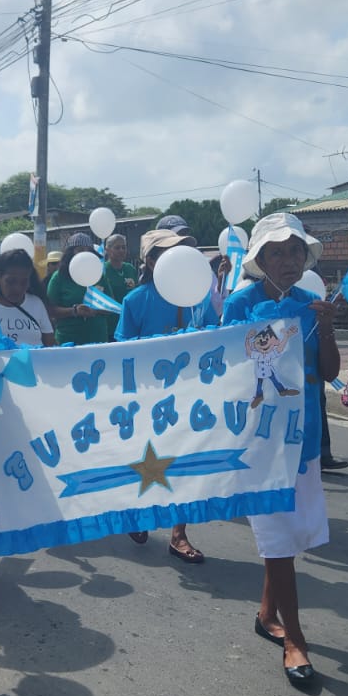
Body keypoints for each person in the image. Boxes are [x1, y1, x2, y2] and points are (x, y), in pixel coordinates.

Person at [223, 213, 339, 687]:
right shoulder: (240, 304)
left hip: (303, 436)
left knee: (290, 537)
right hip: (261, 440)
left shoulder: (311, 304)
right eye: (277, 252)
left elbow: (329, 372)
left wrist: (326, 328)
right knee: (278, 539)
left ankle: (266, 614)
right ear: (260, 258)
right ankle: (295, 638)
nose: (289, 260)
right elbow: (232, 369)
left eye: (296, 251)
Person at [115, 226, 218, 563]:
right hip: (148, 400)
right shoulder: (136, 300)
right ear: (151, 261)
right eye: (167, 251)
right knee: (146, 459)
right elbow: (123, 351)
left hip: (190, 396)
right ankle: (139, 514)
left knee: (184, 462)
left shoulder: (200, 298)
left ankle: (179, 534)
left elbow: (217, 339)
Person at [0, 249, 56, 347]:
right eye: (10, 281)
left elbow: (49, 343)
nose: (17, 288)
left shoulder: (36, 303)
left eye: (23, 282)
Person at [47, 233, 113, 346]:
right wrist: (74, 311)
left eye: (88, 250)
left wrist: (95, 310)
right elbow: (50, 310)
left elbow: (110, 306)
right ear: (70, 253)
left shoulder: (99, 276)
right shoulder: (59, 277)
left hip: (98, 340)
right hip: (69, 342)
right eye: (80, 250)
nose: (85, 253)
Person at [102, 233, 138, 304]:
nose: (121, 250)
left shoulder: (130, 268)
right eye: (117, 248)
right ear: (107, 250)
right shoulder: (103, 270)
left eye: (123, 247)